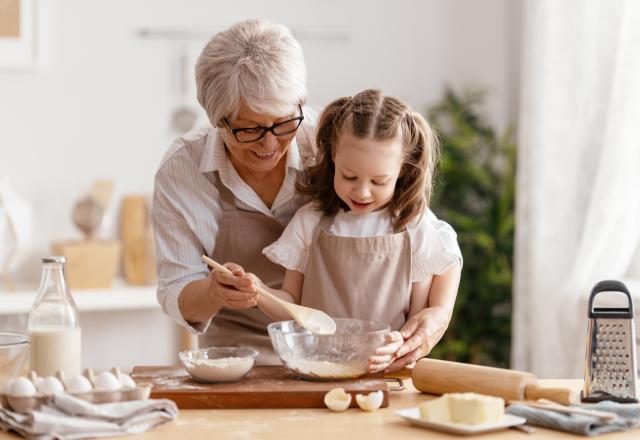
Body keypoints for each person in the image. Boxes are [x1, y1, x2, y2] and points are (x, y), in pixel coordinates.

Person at [257, 89, 463, 372]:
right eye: (349, 176)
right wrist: (257, 292)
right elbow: (292, 305)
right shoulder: (310, 222)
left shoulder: (413, 227)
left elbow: (416, 322)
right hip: (317, 371)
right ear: (332, 159)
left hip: (387, 374)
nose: (362, 192)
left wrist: (402, 346)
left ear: (403, 170)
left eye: (379, 181)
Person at [151, 19, 318, 364]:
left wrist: (433, 316)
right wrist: (214, 293)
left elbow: (419, 229)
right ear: (217, 120)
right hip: (237, 361)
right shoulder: (183, 171)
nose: (270, 144)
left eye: (282, 122)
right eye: (249, 129)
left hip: (329, 348)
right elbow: (175, 291)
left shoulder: (329, 143)